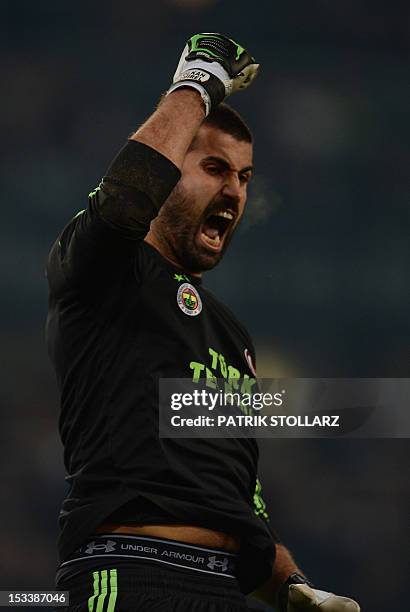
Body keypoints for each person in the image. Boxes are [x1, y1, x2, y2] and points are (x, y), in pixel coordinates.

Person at [46, 33, 360, 611]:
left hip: (222, 589)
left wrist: (292, 586)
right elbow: (120, 204)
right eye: (214, 168)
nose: (234, 190)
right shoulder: (102, 268)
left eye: (244, 177)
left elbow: (240, 494)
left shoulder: (233, 335)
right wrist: (197, 84)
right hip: (127, 571)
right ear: (168, 174)